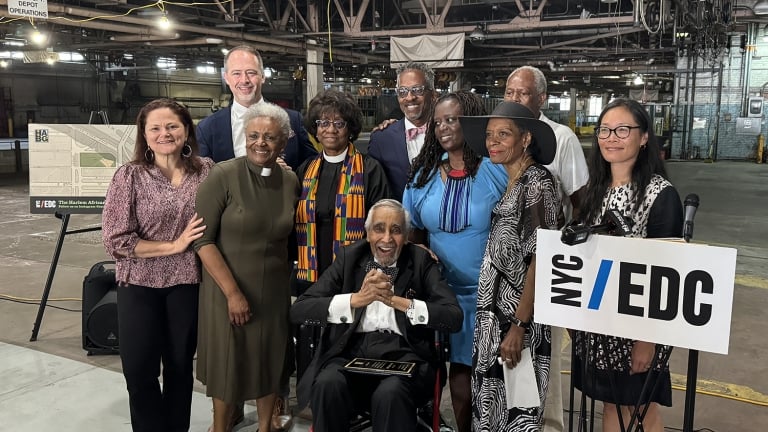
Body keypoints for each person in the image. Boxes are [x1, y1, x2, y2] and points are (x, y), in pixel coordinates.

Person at [290, 199, 463, 432]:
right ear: (368, 232)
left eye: (396, 230)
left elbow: (453, 316)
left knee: (389, 394)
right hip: (351, 352)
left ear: (407, 235)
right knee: (327, 383)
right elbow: (300, 309)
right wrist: (356, 300)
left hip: (406, 355)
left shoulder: (420, 261)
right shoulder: (349, 257)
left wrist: (397, 301)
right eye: (379, 228)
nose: (387, 239)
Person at [102, 98, 214, 432]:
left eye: (172, 126)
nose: (164, 133)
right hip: (139, 284)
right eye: (156, 128)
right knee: (139, 370)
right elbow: (116, 241)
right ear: (145, 135)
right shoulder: (130, 176)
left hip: (187, 283)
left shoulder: (207, 170)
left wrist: (275, 167)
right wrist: (175, 245)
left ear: (186, 130)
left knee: (180, 368)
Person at [573, 98, 682, 432]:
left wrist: (646, 339)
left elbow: (666, 274)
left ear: (644, 137)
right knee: (611, 405)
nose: (611, 137)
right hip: (599, 321)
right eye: (605, 130)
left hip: (636, 326)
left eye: (623, 129)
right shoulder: (595, 189)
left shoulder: (659, 195)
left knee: (639, 408)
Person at [402, 90, 507, 432]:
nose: (444, 128)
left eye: (453, 119)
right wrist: (419, 252)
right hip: (440, 295)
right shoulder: (423, 176)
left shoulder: (495, 171)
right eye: (438, 122)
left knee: (478, 383)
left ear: (472, 123)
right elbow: (411, 232)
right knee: (445, 378)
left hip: (487, 294)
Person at [194, 102, 300, 432]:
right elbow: (203, 241)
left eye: (270, 137)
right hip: (228, 289)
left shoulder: (289, 180)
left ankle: (266, 426)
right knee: (230, 363)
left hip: (273, 292)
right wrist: (233, 293)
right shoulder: (223, 175)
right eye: (253, 135)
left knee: (270, 361)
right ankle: (221, 426)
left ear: (283, 142)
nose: (260, 143)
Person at [460, 101, 563, 431]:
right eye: (490, 135)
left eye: (504, 134)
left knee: (516, 415)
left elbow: (541, 257)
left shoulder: (537, 183)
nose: (493, 142)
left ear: (526, 139)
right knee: (492, 415)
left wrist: (519, 325)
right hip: (495, 322)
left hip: (519, 323)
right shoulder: (513, 181)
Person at [504, 65, 590, 432]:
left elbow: (582, 201)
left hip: (546, 265)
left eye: (523, 93)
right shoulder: (502, 135)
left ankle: (550, 426)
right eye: (510, 92)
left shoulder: (562, 138)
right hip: (507, 270)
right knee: (509, 363)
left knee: (545, 359)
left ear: (541, 98)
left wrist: (560, 248)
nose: (515, 99)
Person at [293, 89, 390, 381]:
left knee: (346, 330)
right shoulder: (305, 169)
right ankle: (311, 390)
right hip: (312, 266)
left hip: (353, 268)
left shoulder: (370, 169)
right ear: (315, 130)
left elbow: (381, 226)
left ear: (350, 128)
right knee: (311, 329)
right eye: (323, 123)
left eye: (338, 123)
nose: (330, 129)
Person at [196, 44, 316, 170]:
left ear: (263, 76)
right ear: (226, 78)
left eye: (251, 73)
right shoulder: (207, 128)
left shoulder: (293, 119)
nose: (244, 80)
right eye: (236, 73)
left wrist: (290, 176)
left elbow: (312, 165)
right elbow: (203, 178)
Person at [367, 62, 437, 201]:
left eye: (417, 90)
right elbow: (375, 192)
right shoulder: (381, 139)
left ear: (433, 94)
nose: (410, 97)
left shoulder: (448, 135)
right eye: (403, 91)